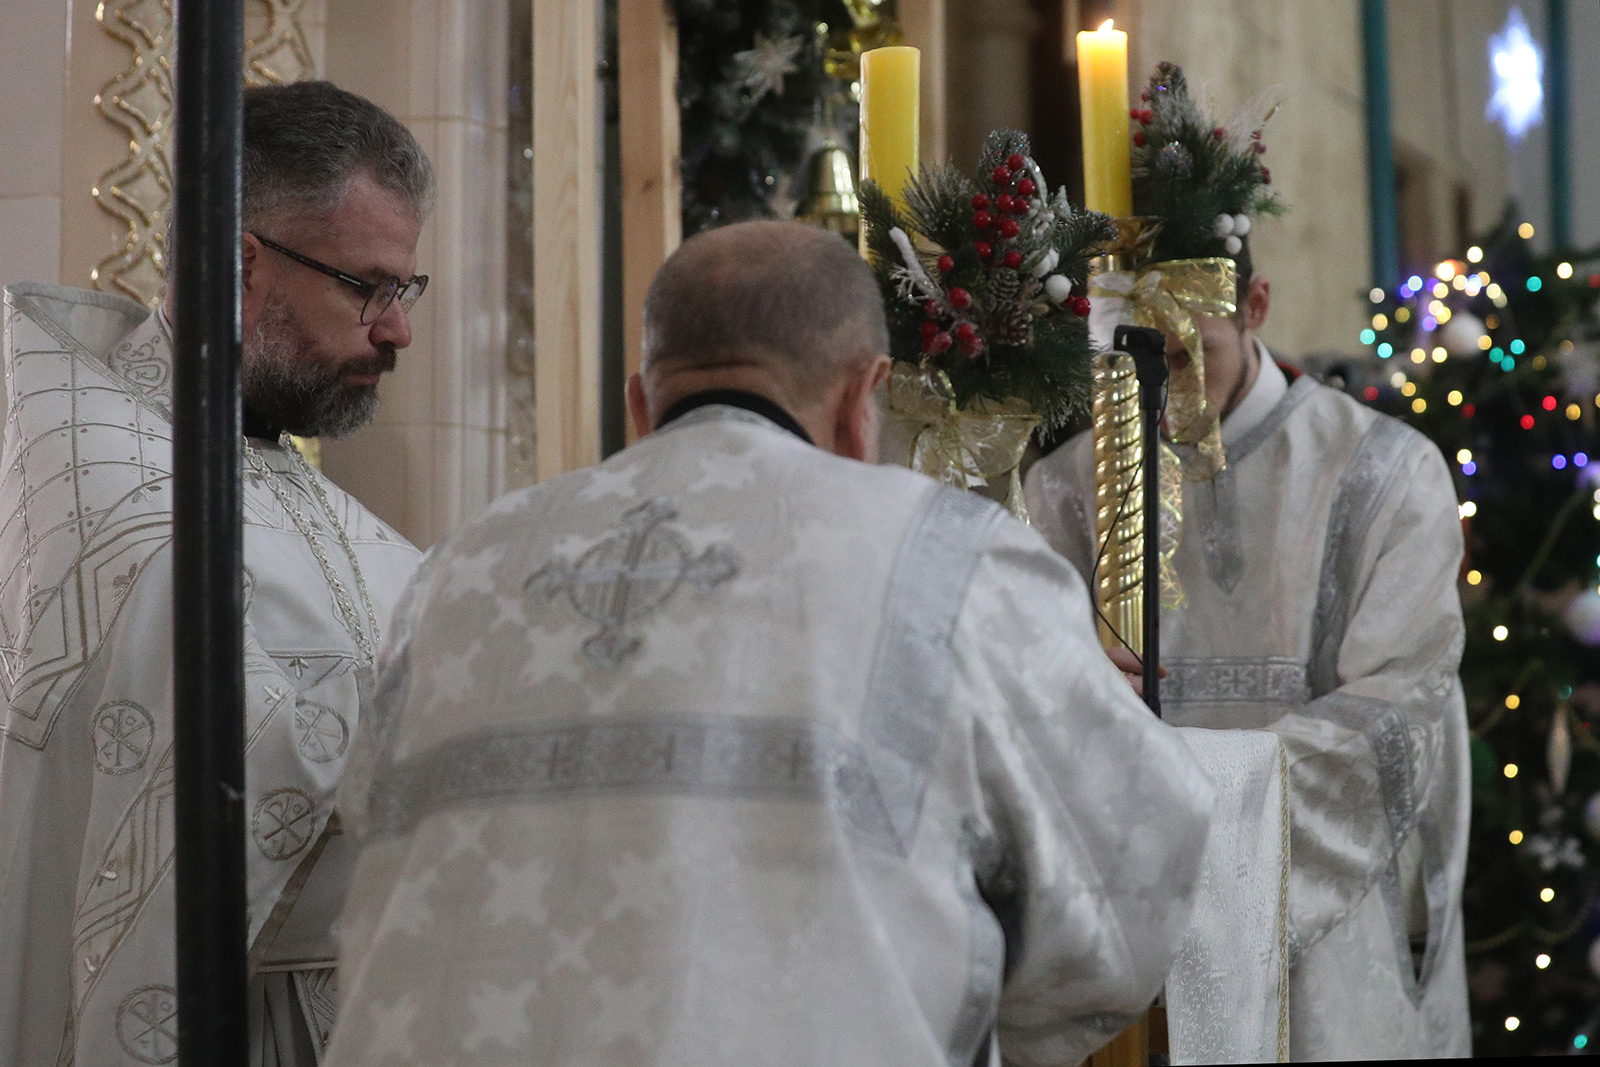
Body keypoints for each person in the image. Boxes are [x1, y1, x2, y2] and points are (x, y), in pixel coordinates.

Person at [323, 220, 1216, 1067]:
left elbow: (367, 853)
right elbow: (1128, 888)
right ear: (863, 398)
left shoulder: (458, 569)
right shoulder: (951, 560)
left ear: (640, 405)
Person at [0, 80, 434, 1066]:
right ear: (234, 262)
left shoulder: (323, 508)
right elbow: (191, 785)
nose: (396, 329)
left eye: (406, 291)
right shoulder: (106, 481)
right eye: (366, 287)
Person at [1024, 238, 1473, 1059]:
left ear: (1255, 306)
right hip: (1124, 931)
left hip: (1326, 927)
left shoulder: (1385, 473)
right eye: (1136, 360)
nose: (1166, 392)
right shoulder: (1063, 486)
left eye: (1189, 353)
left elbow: (1397, 712)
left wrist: (1185, 798)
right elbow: (1028, 700)